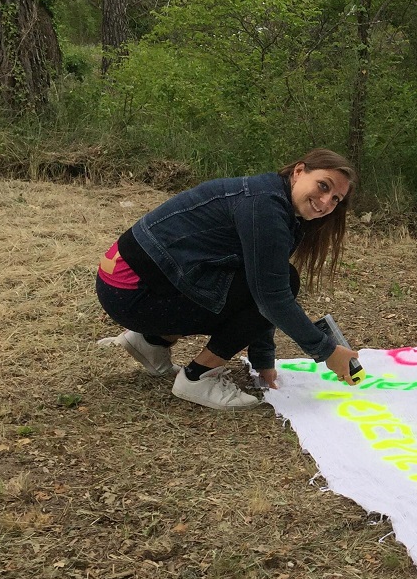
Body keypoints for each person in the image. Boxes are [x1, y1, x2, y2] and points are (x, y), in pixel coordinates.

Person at [95, 149, 361, 410]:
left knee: (272, 283)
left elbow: (259, 281)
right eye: (323, 186)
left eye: (336, 199)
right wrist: (326, 351)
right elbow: (270, 298)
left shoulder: (269, 196)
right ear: (299, 171)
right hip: (134, 292)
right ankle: (197, 377)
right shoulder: (265, 207)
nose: (326, 202)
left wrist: (263, 359)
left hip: (125, 282)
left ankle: (151, 342)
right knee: (282, 287)